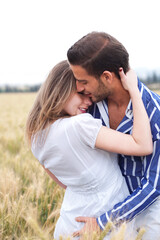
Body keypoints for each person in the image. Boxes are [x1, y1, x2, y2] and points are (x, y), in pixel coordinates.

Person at [26, 60, 152, 240]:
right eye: (81, 94)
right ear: (60, 91)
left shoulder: (35, 137)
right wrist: (134, 91)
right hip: (104, 225)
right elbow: (143, 145)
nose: (89, 101)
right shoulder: (79, 125)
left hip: (70, 225)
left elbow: (65, 184)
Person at [67, 31, 160, 240]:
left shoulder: (155, 113)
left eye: (83, 81)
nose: (78, 88)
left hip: (149, 210)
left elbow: (154, 185)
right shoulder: (89, 107)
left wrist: (104, 221)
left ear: (107, 77)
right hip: (103, 202)